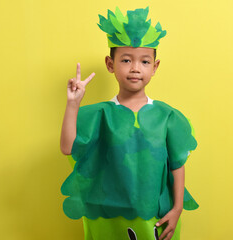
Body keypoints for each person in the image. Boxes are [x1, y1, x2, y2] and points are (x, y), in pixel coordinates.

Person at [60, 7, 198, 240]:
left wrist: (177, 209)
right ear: (110, 64)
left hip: (155, 218)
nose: (135, 68)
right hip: (109, 218)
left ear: (154, 67)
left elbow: (177, 165)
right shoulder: (101, 114)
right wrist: (73, 104)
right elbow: (68, 147)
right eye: (126, 60)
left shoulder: (167, 116)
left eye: (144, 61)